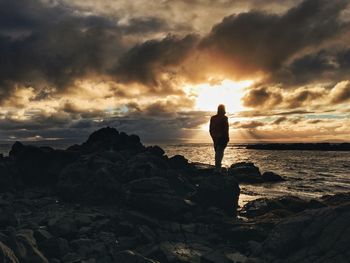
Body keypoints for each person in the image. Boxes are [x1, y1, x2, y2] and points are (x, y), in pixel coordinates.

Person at [210, 104, 229, 172]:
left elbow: (210, 129)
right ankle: (217, 169)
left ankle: (217, 168)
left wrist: (213, 137)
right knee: (219, 153)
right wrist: (226, 137)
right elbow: (226, 129)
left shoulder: (213, 118)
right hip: (222, 137)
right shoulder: (224, 118)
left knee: (218, 153)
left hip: (216, 137)